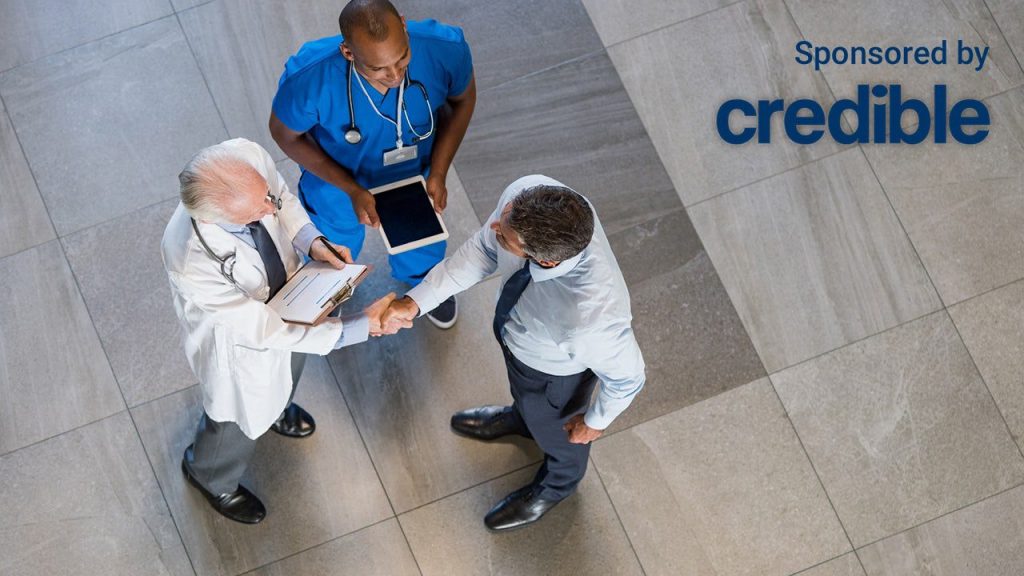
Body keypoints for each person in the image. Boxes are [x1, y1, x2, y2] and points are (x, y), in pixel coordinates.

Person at [161, 138, 409, 524]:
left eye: (264, 196)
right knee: (236, 416)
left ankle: (277, 409)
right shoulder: (190, 260)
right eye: (255, 212)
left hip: (292, 298)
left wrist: (313, 241)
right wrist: (359, 327)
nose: (269, 208)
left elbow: (283, 199)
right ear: (213, 219)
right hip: (243, 344)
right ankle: (210, 475)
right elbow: (266, 331)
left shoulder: (245, 157)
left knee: (290, 368)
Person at [383, 175, 646, 530]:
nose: (494, 226)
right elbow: (483, 249)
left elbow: (629, 378)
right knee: (526, 401)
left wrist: (593, 423)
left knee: (559, 433)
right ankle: (522, 419)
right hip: (519, 343)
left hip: (553, 375)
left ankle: (558, 485)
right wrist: (415, 302)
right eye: (503, 217)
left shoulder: (592, 319)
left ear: (545, 261)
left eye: (505, 237)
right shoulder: (528, 193)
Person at [270, 0, 476, 329]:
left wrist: (439, 170)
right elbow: (285, 135)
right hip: (338, 180)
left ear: (404, 26)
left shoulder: (445, 48)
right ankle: (332, 287)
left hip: (413, 171)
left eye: (403, 58)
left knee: (422, 238)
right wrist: (351, 188)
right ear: (348, 53)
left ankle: (424, 284)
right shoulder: (309, 79)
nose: (395, 75)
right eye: (378, 68)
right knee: (333, 242)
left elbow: (463, 100)